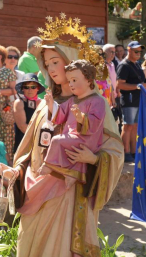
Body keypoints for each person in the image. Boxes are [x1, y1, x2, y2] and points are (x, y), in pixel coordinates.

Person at [3, 15, 124, 257]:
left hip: (70, 191)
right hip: (35, 184)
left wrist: (93, 159)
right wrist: (17, 169)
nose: (50, 68)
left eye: (55, 61)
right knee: (31, 245)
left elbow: (115, 152)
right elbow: (29, 148)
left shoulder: (93, 103)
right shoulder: (43, 104)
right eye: (46, 63)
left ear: (70, 63)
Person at [41, 60, 106, 189]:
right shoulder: (73, 100)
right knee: (63, 144)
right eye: (69, 81)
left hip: (86, 139)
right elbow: (61, 114)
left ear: (88, 80)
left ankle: (48, 165)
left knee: (56, 141)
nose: (70, 84)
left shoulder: (97, 101)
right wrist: (51, 105)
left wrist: (82, 118)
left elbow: (95, 122)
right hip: (72, 137)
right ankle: (72, 175)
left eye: (74, 80)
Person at [117, 41, 146, 162]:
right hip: (129, 99)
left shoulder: (136, 64)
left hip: (138, 99)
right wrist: (138, 86)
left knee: (135, 126)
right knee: (128, 126)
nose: (138, 54)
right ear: (129, 50)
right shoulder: (124, 65)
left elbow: (142, 82)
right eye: (136, 51)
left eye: (140, 52)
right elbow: (120, 85)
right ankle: (125, 152)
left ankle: (133, 151)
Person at [13, 74, 44, 153]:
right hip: (24, 143)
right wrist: (39, 138)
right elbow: (22, 126)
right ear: (23, 89)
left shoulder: (43, 103)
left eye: (33, 87)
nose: (30, 90)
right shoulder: (19, 102)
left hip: (41, 143)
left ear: (38, 88)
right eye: (26, 87)